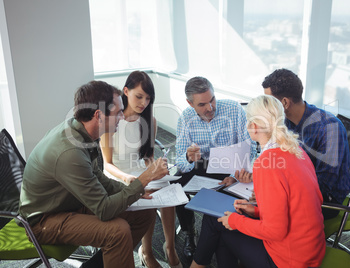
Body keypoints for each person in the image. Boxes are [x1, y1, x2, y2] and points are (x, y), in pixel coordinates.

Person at [18, 80, 169, 268]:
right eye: (118, 113)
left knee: (144, 212)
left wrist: (136, 191)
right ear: (99, 115)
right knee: (118, 231)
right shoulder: (70, 152)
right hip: (43, 221)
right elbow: (104, 209)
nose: (122, 117)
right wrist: (144, 179)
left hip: (70, 202)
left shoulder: (83, 132)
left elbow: (99, 178)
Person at [190, 95, 326, 268]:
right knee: (223, 223)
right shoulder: (296, 150)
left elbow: (275, 231)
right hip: (312, 248)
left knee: (216, 220)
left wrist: (235, 221)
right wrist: (256, 211)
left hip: (290, 260)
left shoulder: (266, 163)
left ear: (253, 126)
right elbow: (295, 204)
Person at [100, 71, 182, 268]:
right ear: (126, 92)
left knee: (168, 190)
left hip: (139, 170)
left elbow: (147, 156)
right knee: (151, 192)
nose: (143, 102)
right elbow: (107, 164)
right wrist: (130, 178)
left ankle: (169, 247)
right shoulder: (111, 121)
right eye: (139, 96)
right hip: (117, 174)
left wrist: (156, 169)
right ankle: (146, 251)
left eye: (148, 98)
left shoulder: (149, 122)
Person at [173, 76, 256, 259]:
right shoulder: (185, 118)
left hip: (232, 166)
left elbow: (251, 148)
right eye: (202, 104)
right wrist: (188, 156)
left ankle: (224, 237)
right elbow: (179, 159)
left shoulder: (234, 109)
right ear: (190, 103)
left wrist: (235, 175)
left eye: (212, 100)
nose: (210, 108)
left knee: (229, 197)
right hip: (202, 165)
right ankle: (189, 232)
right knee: (177, 184)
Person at [262, 68, 350, 220]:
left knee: (264, 214)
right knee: (245, 206)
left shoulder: (329, 128)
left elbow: (323, 185)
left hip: (326, 199)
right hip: (292, 187)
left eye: (268, 102)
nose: (265, 107)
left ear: (284, 103)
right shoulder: (282, 121)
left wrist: (279, 193)